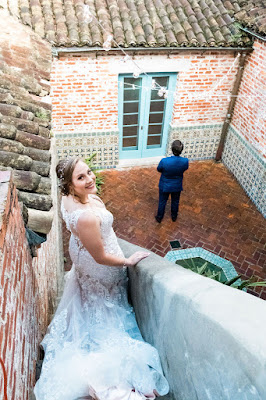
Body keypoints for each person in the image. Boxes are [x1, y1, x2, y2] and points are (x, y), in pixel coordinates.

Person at [34, 156, 169, 400]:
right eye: (81, 177)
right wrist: (128, 261)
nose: (89, 178)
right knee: (106, 305)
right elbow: (101, 257)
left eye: (88, 172)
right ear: (68, 185)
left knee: (90, 297)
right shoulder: (85, 217)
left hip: (82, 254)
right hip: (100, 266)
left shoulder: (68, 198)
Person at [155, 140, 189, 223]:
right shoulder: (185, 161)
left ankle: (159, 217)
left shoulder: (165, 161)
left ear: (172, 149)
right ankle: (174, 216)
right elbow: (185, 168)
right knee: (175, 201)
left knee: (162, 201)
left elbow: (159, 169)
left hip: (165, 185)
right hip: (177, 185)